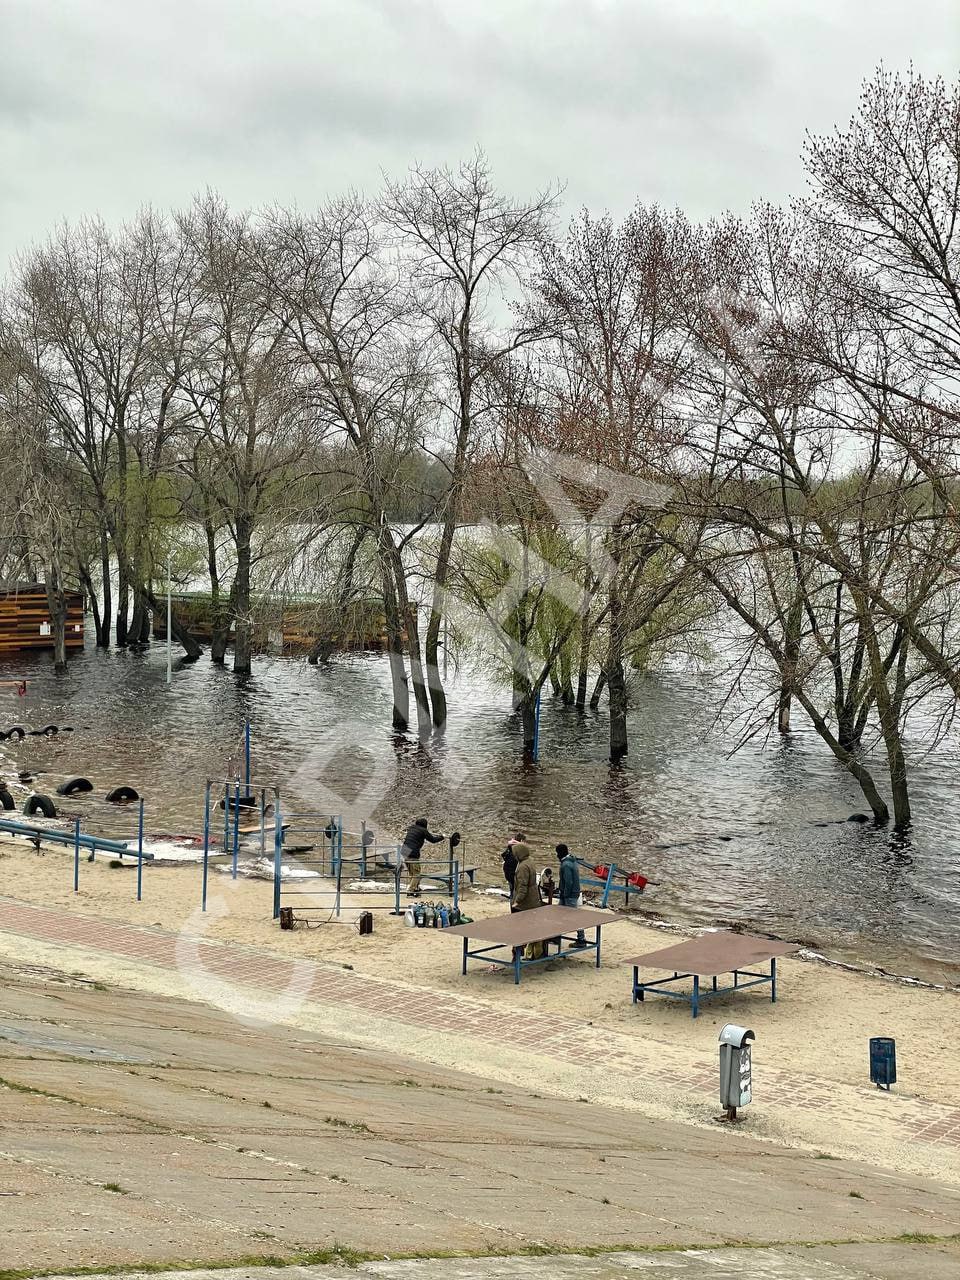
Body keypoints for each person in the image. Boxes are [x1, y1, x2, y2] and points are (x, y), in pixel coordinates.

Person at [510, 841, 545, 960]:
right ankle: (535, 951)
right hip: (534, 899)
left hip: (525, 904)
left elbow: (522, 886)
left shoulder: (522, 867)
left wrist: (517, 901)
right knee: (532, 927)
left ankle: (517, 953)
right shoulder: (530, 861)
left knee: (519, 929)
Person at [399, 818, 444, 896]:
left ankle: (415, 888)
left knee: (412, 873)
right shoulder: (423, 830)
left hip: (405, 851)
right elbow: (433, 840)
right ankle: (410, 891)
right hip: (413, 853)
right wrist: (442, 837)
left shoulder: (411, 828)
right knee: (417, 874)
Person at [556, 843, 586, 946]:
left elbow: (568, 882)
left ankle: (581, 940)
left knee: (574, 917)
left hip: (569, 895)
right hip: (573, 893)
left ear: (560, 853)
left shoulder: (566, 865)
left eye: (557, 853)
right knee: (558, 914)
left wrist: (564, 894)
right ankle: (556, 937)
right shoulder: (572, 861)